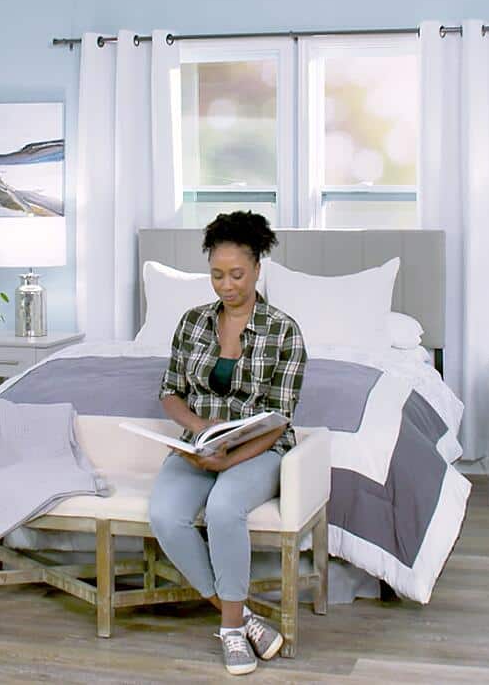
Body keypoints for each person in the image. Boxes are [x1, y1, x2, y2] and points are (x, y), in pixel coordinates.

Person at [148, 211, 307, 676]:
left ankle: (231, 633)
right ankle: (239, 616)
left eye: (236, 274)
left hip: (260, 448)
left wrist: (231, 457)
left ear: (258, 268)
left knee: (222, 510)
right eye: (216, 274)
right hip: (200, 445)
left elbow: (279, 420)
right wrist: (199, 430)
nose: (225, 285)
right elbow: (169, 391)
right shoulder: (192, 323)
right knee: (165, 515)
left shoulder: (284, 331)